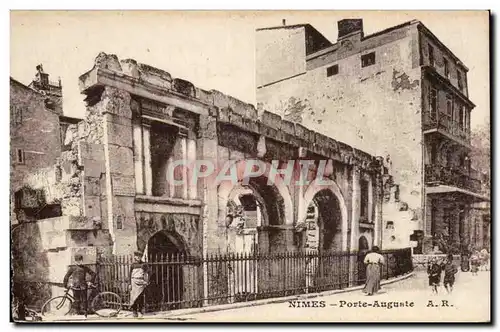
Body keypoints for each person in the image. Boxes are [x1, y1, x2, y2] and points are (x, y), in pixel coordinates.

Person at [129, 251, 149, 318]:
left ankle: (140, 311)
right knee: (134, 298)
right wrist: (129, 284)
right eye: (137, 256)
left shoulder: (144, 264)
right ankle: (134, 311)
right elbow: (130, 274)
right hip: (134, 282)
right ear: (134, 257)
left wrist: (146, 281)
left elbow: (146, 274)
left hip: (141, 282)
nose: (138, 257)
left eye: (139, 256)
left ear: (141, 257)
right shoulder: (133, 265)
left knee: (140, 297)